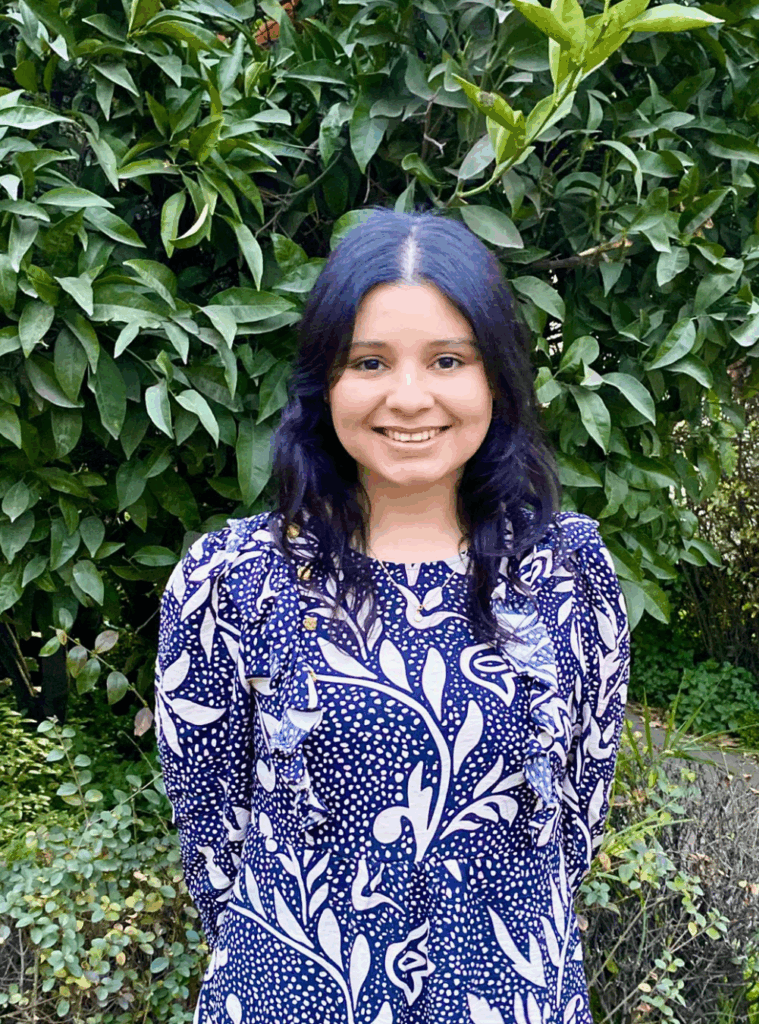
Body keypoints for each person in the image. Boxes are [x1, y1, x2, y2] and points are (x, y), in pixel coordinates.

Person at [154, 207, 630, 1024]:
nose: (409, 397)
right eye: (369, 362)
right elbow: (210, 835)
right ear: (325, 382)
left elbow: (576, 816)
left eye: (447, 360)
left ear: (493, 379)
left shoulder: (567, 570)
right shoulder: (230, 578)